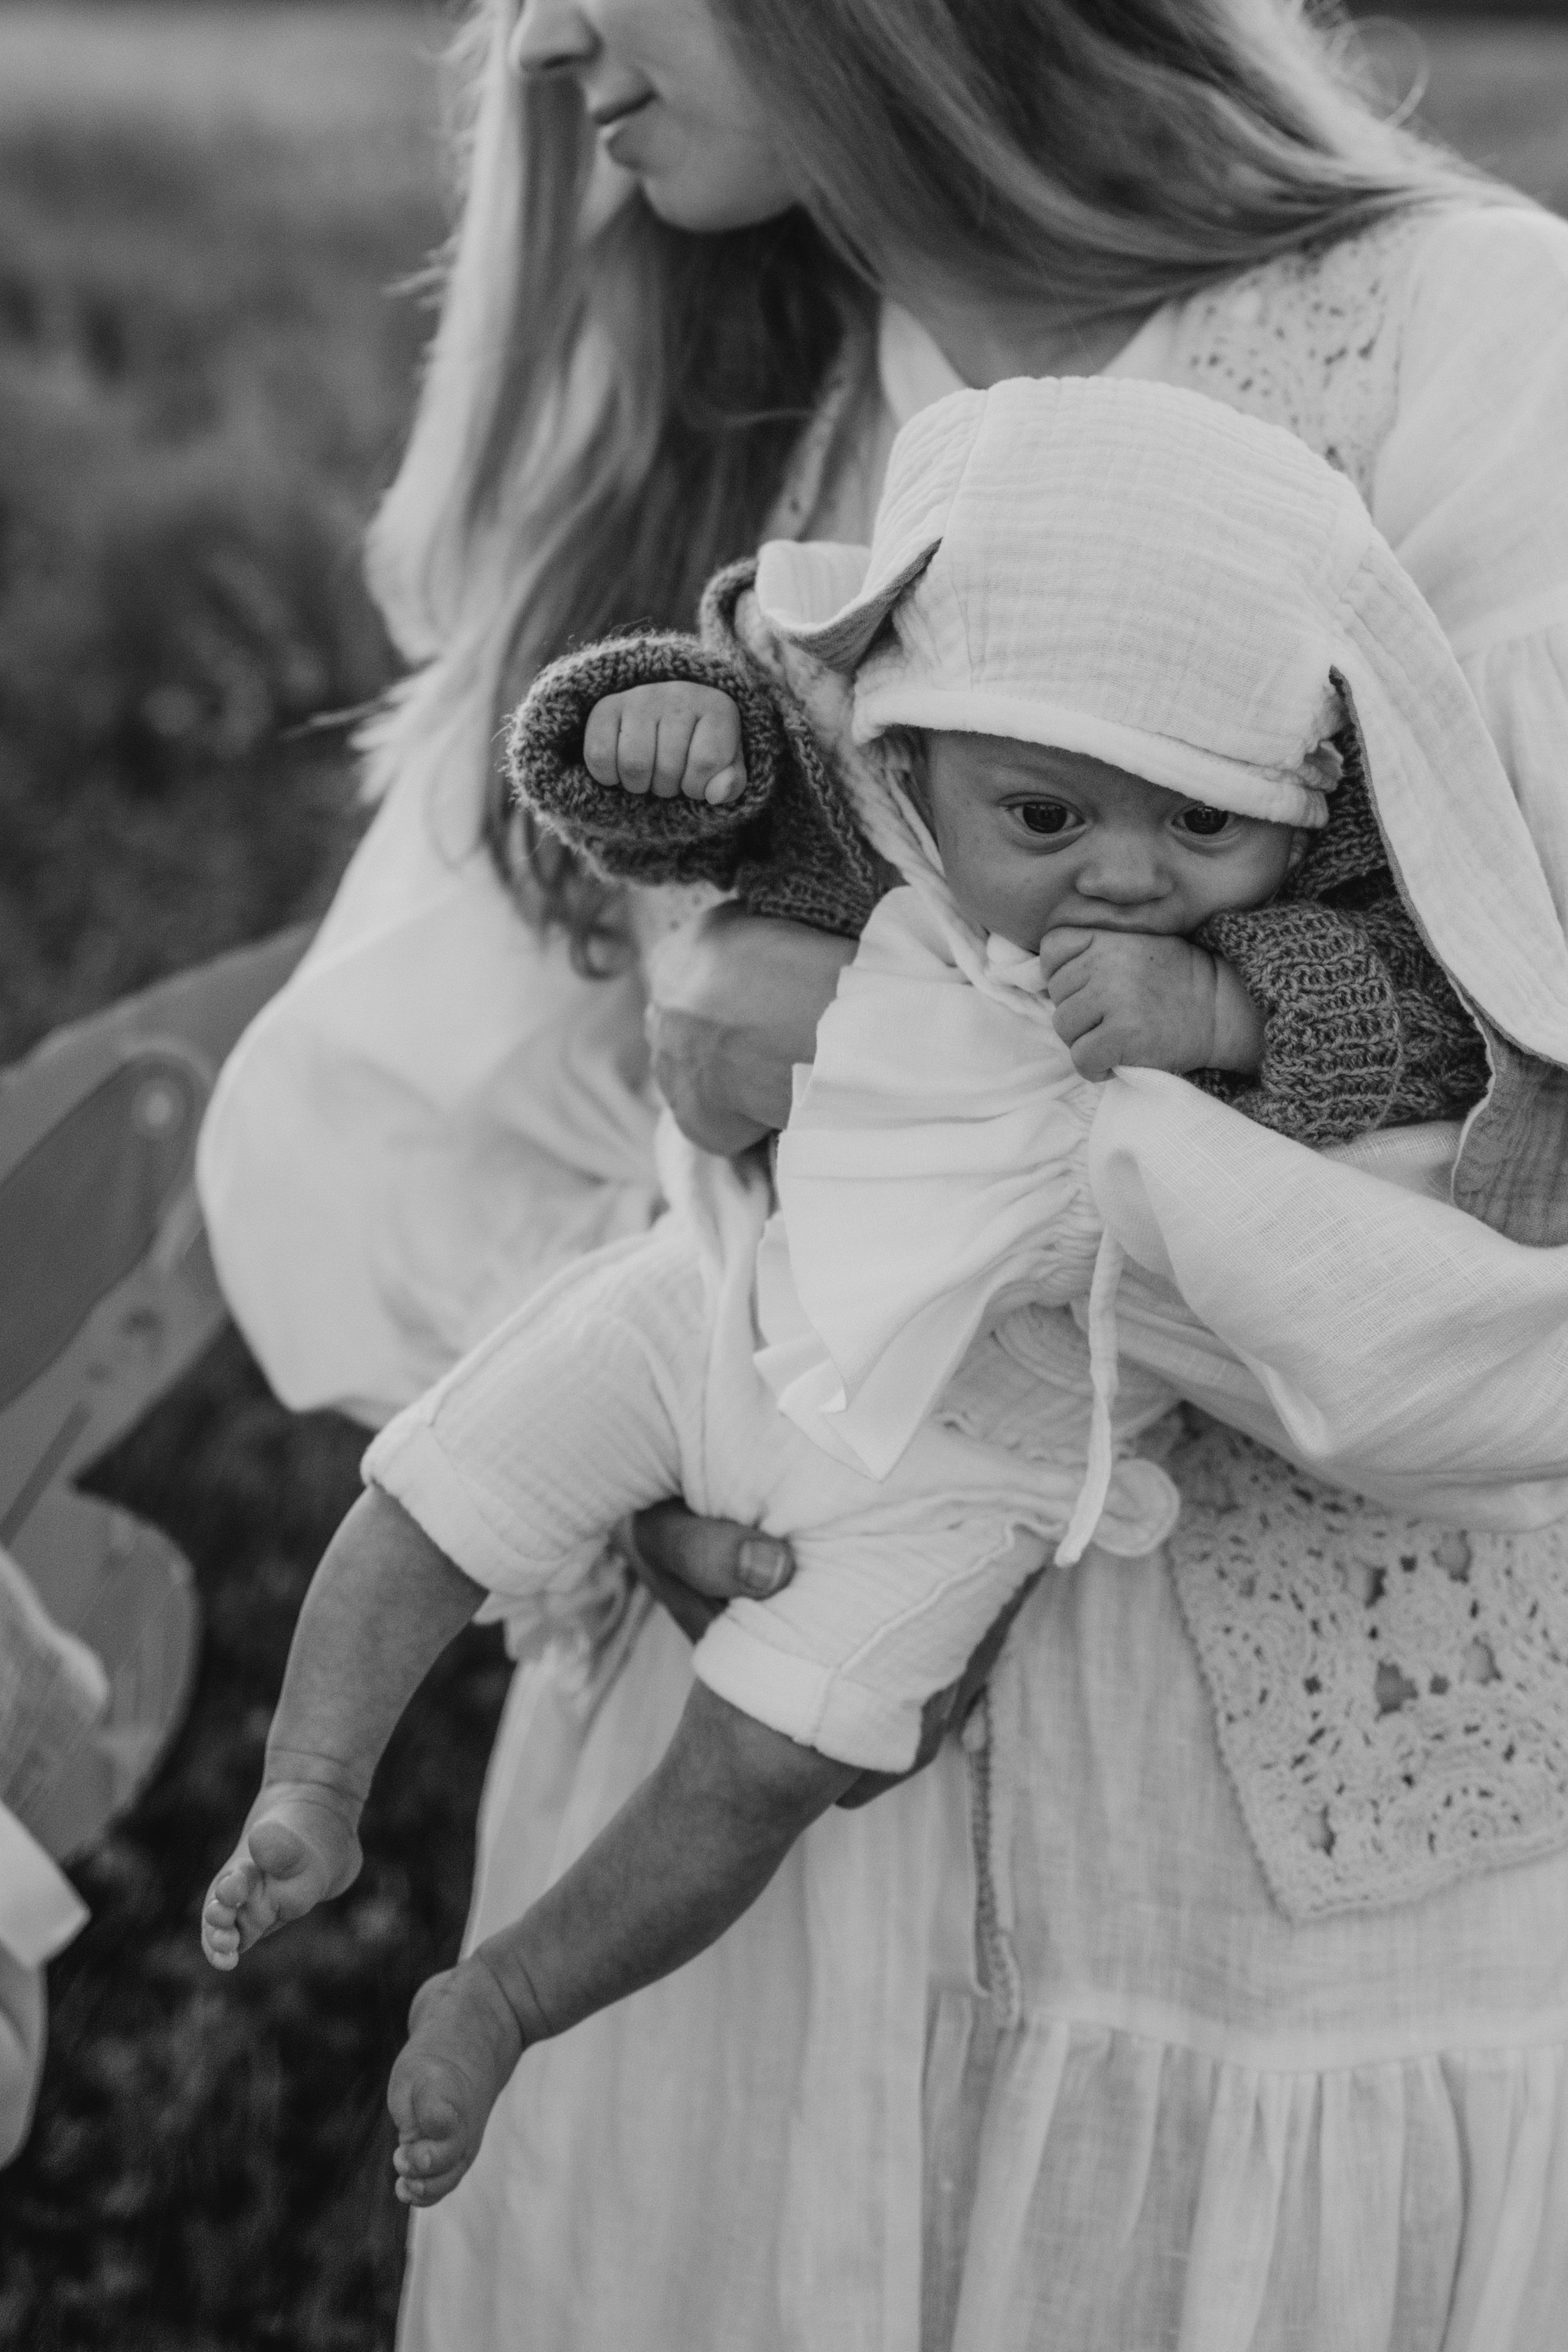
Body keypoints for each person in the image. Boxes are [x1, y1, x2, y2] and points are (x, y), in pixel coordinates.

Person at [194, 1, 1568, 2343]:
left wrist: (872, 1051)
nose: (541, 39)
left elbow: (1513, 1103)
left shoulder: (1467, 335)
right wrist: (645, 1421)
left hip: (1268, 1919)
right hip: (737, 1862)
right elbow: (419, 1118)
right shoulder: (752, 409)